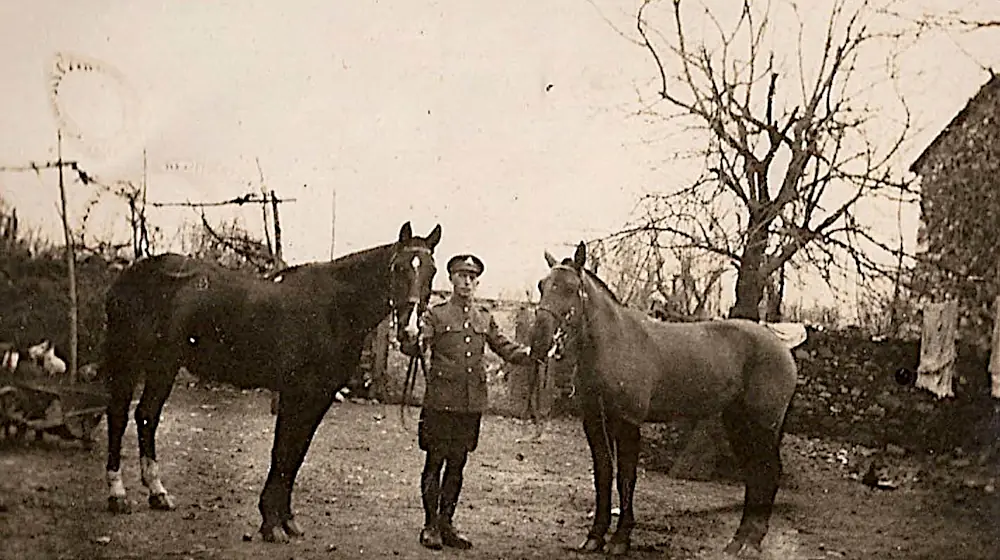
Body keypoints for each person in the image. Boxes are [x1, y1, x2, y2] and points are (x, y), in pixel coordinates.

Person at [399, 253, 533, 550]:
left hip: (470, 405)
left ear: (477, 281)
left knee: (458, 464)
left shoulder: (483, 316)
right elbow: (417, 345)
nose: (467, 281)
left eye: (472, 277)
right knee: (435, 462)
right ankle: (430, 525)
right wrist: (411, 338)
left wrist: (533, 353)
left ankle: (447, 524)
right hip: (440, 403)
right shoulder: (435, 314)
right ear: (452, 279)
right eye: (461, 276)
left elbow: (505, 348)